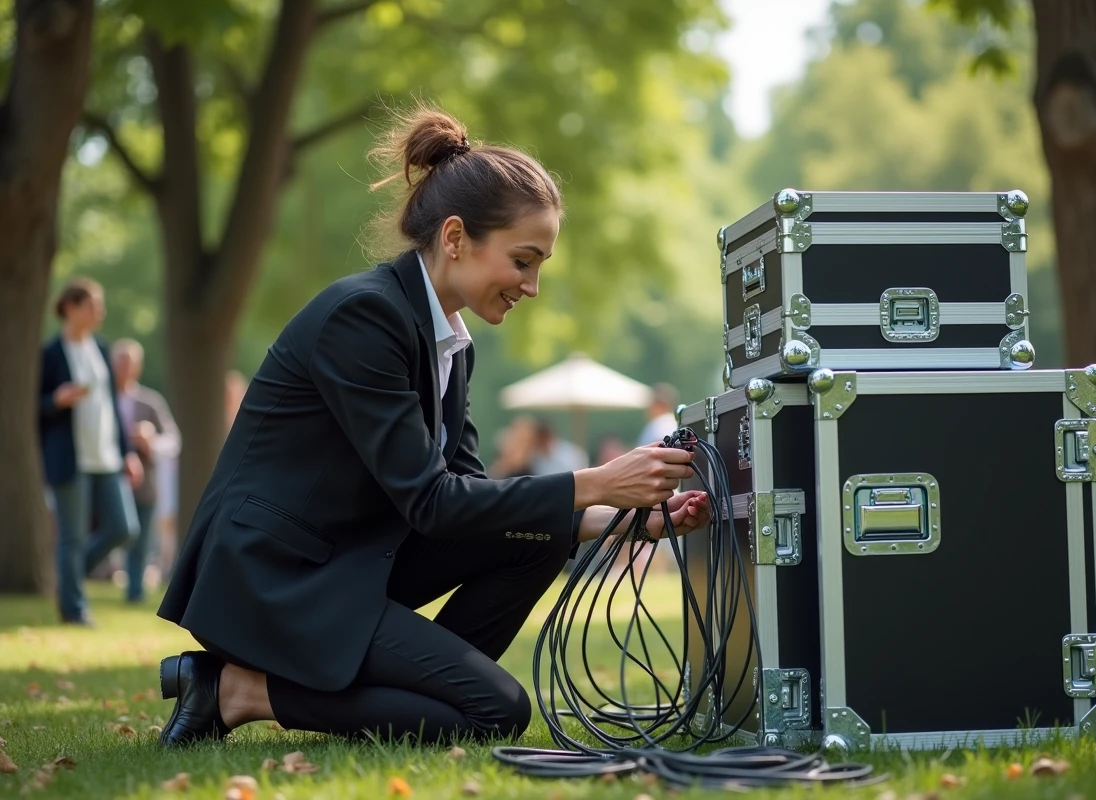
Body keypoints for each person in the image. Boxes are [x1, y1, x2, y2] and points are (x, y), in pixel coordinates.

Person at [154, 104, 711, 749]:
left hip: (345, 563)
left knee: (537, 536)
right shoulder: (364, 317)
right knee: (496, 712)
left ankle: (407, 694)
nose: (532, 286)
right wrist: (597, 482)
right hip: (274, 578)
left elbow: (474, 497)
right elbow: (432, 502)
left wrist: (624, 520)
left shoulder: (448, 342)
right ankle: (237, 692)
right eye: (523, 260)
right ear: (454, 238)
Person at [39, 278, 143, 626]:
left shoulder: (101, 348)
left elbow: (112, 407)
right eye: (92, 306)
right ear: (70, 308)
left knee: (124, 527)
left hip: (107, 456)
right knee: (72, 536)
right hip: (71, 459)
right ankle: (74, 610)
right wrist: (57, 400)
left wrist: (128, 453)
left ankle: (68, 576)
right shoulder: (51, 354)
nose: (100, 312)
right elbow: (35, 405)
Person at [112, 338, 182, 603]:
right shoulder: (104, 400)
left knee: (141, 539)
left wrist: (150, 441)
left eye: (129, 362)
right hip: (110, 477)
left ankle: (135, 593)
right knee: (118, 530)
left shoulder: (150, 402)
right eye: (120, 361)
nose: (124, 367)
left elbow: (173, 440)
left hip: (145, 481)